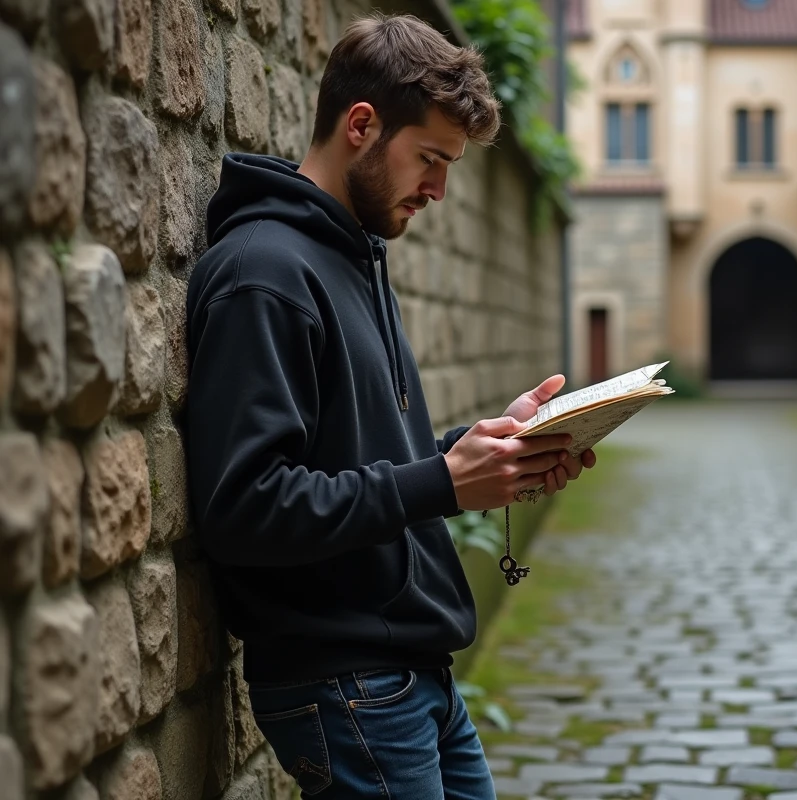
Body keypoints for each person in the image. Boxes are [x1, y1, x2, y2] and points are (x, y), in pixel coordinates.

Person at [183, 12, 595, 800]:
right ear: (362, 125)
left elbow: (359, 462)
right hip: (347, 684)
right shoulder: (265, 274)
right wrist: (442, 483)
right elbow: (244, 506)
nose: (438, 190)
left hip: (415, 675)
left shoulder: (356, 254)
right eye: (430, 159)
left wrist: (487, 450)